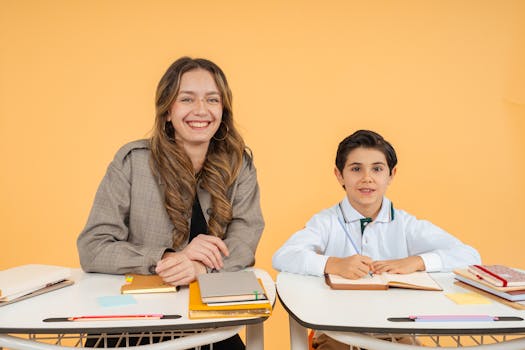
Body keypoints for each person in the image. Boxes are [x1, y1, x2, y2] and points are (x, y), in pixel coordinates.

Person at [77, 57, 264, 349]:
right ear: (167, 111)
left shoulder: (240, 166)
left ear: (222, 111)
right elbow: (93, 247)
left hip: (208, 324)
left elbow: (244, 242)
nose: (201, 110)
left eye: (212, 99)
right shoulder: (131, 162)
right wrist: (167, 259)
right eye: (186, 99)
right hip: (134, 324)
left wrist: (201, 269)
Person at [272, 129, 481, 350]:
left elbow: (469, 256)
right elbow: (283, 256)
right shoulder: (326, 222)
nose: (367, 178)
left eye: (377, 169)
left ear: (391, 175)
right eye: (356, 169)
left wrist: (417, 261)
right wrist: (334, 264)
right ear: (339, 175)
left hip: (396, 333)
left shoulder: (406, 224)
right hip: (337, 331)